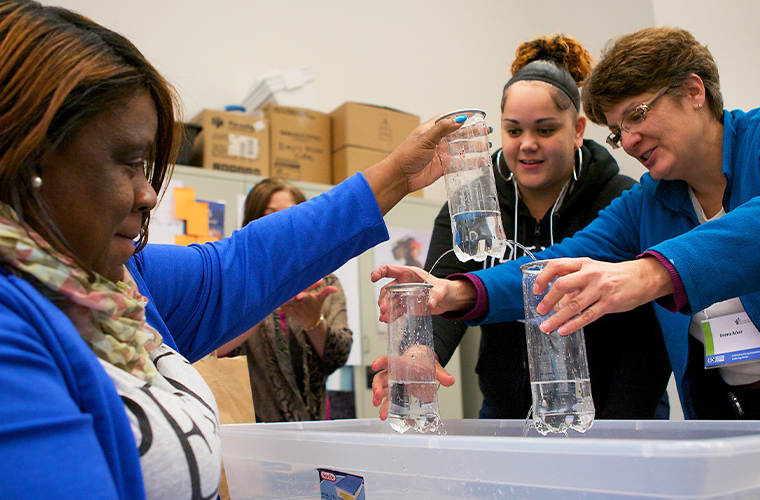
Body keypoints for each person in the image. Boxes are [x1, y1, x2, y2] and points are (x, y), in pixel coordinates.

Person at [0, 1, 466, 497]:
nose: (148, 193)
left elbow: (248, 262)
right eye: (129, 163)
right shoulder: (14, 331)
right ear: (30, 157)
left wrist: (397, 174)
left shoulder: (119, 284)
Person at [372, 26, 760, 421]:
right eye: (620, 132)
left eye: (637, 115)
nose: (631, 140)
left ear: (694, 92)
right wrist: (456, 290)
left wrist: (650, 272)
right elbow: (559, 263)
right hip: (726, 409)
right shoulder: (649, 200)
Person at [422, 34, 670, 420]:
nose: (527, 145)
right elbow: (444, 288)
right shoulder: (472, 207)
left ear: (578, 130)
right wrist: (424, 351)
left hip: (614, 411)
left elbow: (648, 337)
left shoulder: (621, 200)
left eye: (545, 129)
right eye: (514, 130)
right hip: (506, 412)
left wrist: (621, 429)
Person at [217, 178, 353, 422]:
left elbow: (338, 356)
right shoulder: (236, 277)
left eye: (292, 215)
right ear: (252, 221)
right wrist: (262, 303)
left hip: (313, 426)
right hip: (247, 425)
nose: (283, 224)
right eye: (271, 214)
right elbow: (212, 349)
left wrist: (314, 322)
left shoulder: (323, 280)